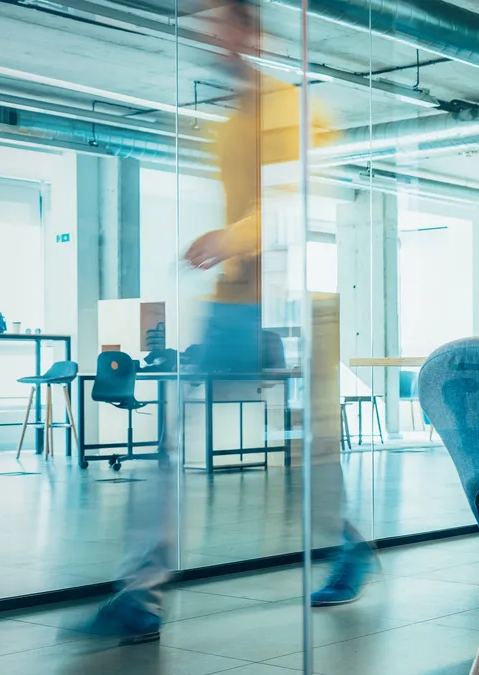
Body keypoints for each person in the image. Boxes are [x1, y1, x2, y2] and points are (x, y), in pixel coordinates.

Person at [84, 0, 372, 644]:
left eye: (221, 22)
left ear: (250, 30)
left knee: (313, 445)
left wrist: (229, 237)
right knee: (174, 433)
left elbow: (290, 208)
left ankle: (348, 544)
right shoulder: (226, 125)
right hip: (236, 303)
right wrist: (226, 247)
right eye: (203, 24)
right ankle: (139, 591)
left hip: (298, 303)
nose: (209, 35)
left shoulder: (296, 111)